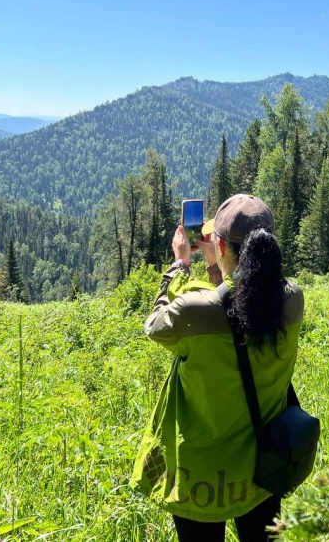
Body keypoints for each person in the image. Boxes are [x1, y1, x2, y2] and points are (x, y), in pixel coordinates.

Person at [131, 194, 305, 542]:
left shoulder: (195, 312)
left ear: (221, 244)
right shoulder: (292, 299)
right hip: (263, 466)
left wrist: (181, 264)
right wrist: (218, 267)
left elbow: (156, 325)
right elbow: (239, 305)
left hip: (201, 477)